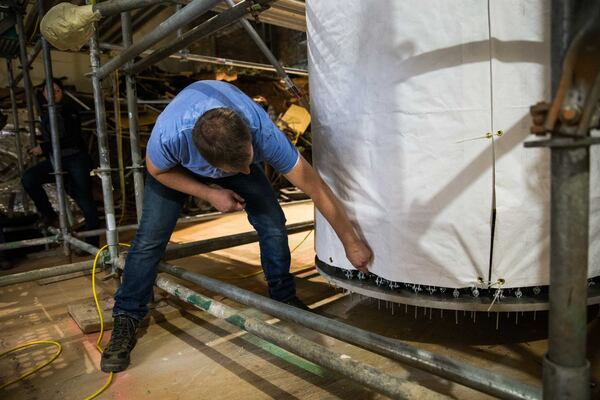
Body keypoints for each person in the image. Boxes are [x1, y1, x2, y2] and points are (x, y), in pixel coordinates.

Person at [101, 80, 372, 373]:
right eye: (237, 170)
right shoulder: (170, 137)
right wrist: (209, 193)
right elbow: (156, 169)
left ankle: (283, 296)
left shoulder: (262, 132)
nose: (246, 172)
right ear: (209, 163)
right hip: (175, 170)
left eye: (249, 161)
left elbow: (315, 187)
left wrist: (351, 242)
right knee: (149, 240)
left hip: (228, 149)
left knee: (272, 222)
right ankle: (127, 315)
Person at [21, 79, 99, 246]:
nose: (54, 93)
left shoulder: (69, 109)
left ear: (61, 92)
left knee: (84, 199)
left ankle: (93, 243)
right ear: (43, 94)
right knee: (29, 178)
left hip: (76, 158)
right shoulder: (45, 113)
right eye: (49, 91)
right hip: (58, 159)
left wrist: (44, 147)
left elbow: (72, 138)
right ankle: (49, 214)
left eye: (57, 90)